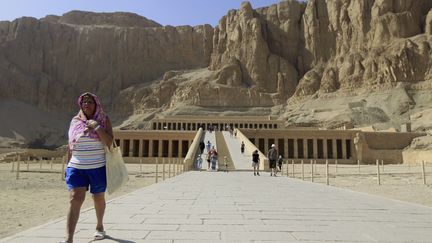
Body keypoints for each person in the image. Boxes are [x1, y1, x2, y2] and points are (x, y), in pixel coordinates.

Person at [63, 92, 113, 243]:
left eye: (90, 101)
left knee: (98, 198)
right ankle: (69, 238)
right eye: (84, 102)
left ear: (96, 104)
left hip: (97, 166)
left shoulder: (104, 120)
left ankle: (99, 226)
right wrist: (67, 165)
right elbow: (70, 145)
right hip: (77, 166)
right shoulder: (75, 121)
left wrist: (97, 127)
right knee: (75, 198)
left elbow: (109, 142)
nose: (86, 104)